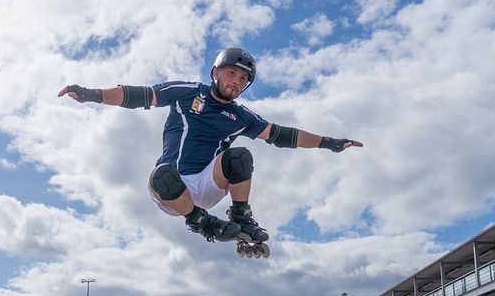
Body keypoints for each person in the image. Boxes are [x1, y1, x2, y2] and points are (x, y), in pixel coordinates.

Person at [58, 47, 362, 251]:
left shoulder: (241, 116)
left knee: (240, 156)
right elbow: (137, 95)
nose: (236, 81)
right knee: (160, 175)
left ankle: (241, 216)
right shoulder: (188, 92)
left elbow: (283, 135)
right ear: (216, 72)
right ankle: (199, 221)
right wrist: (91, 94)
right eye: (232, 73)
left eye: (243, 79)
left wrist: (328, 142)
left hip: (209, 184)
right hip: (174, 190)